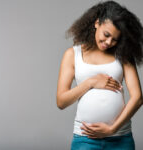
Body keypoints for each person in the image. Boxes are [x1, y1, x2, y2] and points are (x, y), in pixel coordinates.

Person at [56, 1, 143, 150]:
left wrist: (112, 129)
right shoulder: (73, 54)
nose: (109, 42)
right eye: (106, 35)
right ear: (97, 23)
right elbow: (61, 102)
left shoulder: (122, 55)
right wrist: (91, 82)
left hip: (121, 138)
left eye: (115, 39)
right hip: (85, 139)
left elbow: (138, 98)